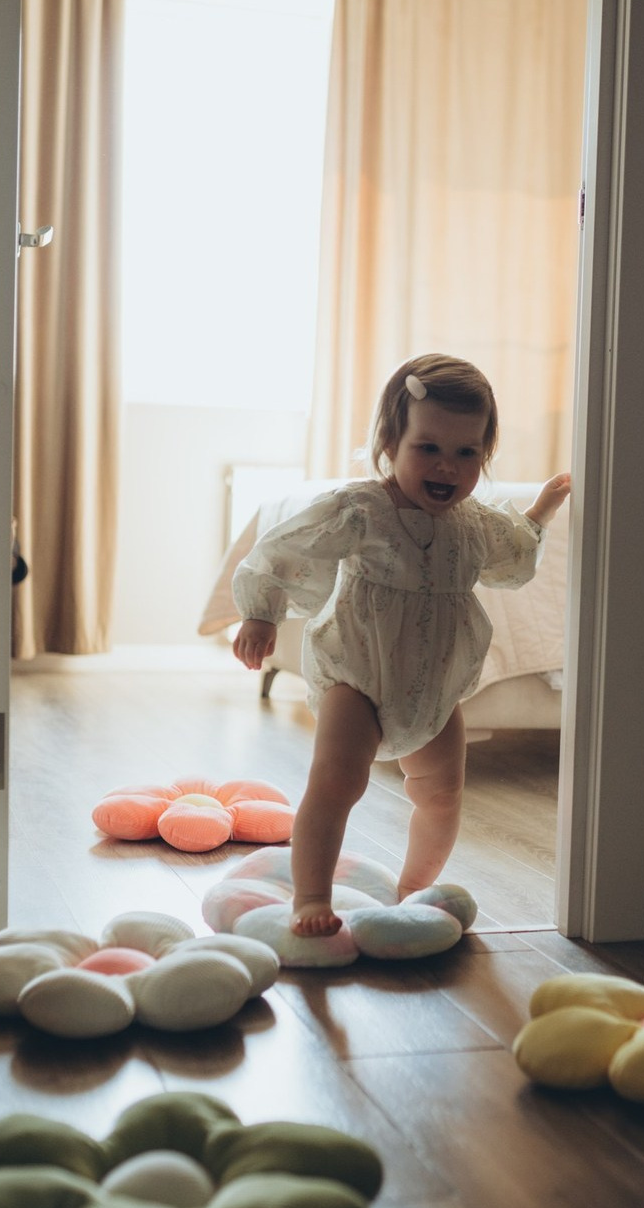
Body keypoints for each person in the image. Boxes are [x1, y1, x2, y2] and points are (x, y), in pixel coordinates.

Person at [232, 353, 571, 937]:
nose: (447, 466)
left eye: (467, 453)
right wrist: (260, 613)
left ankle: (414, 889)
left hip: (435, 686)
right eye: (428, 448)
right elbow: (289, 547)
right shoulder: (362, 507)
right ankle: (310, 895)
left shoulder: (474, 524)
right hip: (356, 673)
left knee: (442, 794)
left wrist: (539, 510)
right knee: (337, 782)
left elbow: (513, 558)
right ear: (391, 441)